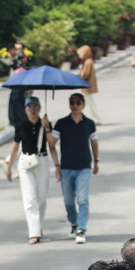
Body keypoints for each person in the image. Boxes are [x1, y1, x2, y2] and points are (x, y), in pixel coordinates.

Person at [5, 96, 58, 245]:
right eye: (29, 107)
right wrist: (10, 167)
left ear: (40, 109)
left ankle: (39, 226)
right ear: (25, 109)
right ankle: (33, 232)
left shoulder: (45, 124)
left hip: (41, 160)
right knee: (30, 198)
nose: (32, 110)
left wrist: (57, 165)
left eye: (35, 107)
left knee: (41, 197)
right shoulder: (21, 125)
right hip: (26, 162)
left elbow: (52, 145)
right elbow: (15, 146)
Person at [51, 93, 98, 245]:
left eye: (78, 102)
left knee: (82, 199)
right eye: (72, 102)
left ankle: (81, 229)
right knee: (69, 201)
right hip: (66, 167)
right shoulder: (61, 123)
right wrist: (46, 128)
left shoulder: (89, 123)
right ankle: (74, 222)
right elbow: (52, 143)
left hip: (84, 166)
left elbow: (94, 142)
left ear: (83, 105)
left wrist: (96, 160)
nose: (75, 105)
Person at [76, 46, 100, 123]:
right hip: (87, 86)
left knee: (90, 103)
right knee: (86, 103)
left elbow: (85, 74)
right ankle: (88, 119)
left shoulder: (88, 62)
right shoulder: (88, 61)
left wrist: (79, 74)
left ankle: (97, 119)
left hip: (87, 86)